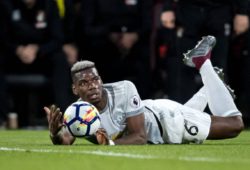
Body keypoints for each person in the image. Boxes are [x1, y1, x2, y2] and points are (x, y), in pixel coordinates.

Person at [44, 35, 244, 145]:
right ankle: (214, 84)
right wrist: (55, 135)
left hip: (168, 122)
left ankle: (203, 63)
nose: (93, 85)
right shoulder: (78, 113)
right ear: (75, 89)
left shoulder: (124, 89)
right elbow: (67, 140)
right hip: (164, 117)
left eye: (95, 79)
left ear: (101, 79)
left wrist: (110, 145)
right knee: (191, 111)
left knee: (235, 125)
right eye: (85, 83)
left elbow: (139, 137)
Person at [0, 0, 74, 126]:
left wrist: (37, 49)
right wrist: (18, 49)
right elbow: (2, 37)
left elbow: (57, 38)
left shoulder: (49, 4)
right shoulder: (6, 5)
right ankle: (1, 119)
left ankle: (66, 118)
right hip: (13, 56)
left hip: (42, 56)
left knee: (60, 59)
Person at [160, 0, 249, 103]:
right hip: (188, 13)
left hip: (218, 13)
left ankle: (216, 116)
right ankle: (184, 115)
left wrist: (242, 11)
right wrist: (167, 7)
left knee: (217, 71)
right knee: (183, 69)